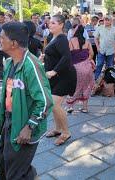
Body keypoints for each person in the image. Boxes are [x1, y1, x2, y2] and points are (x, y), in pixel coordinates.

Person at [0, 22, 53, 179]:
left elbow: (45, 101)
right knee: (5, 165)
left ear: (13, 43)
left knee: (15, 173)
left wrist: (29, 127)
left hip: (24, 126)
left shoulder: (31, 65)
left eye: (1, 37)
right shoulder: (10, 62)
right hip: (10, 122)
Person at [44, 15, 77, 146]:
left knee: (54, 104)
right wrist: (44, 56)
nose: (50, 25)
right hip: (56, 78)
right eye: (49, 23)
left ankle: (66, 132)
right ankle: (58, 129)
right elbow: (54, 54)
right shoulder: (52, 38)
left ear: (61, 25)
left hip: (64, 76)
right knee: (53, 105)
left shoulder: (62, 38)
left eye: (53, 23)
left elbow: (66, 57)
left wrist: (54, 71)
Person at [66, 25, 95, 113]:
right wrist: (87, 61)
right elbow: (92, 54)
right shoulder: (87, 41)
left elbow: (68, 55)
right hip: (87, 67)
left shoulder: (71, 41)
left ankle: (70, 107)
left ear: (75, 31)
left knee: (72, 87)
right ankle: (85, 108)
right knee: (86, 87)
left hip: (75, 67)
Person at [93, 15, 115, 80]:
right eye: (105, 20)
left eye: (108, 20)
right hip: (101, 50)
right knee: (99, 64)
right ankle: (96, 80)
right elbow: (95, 38)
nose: (106, 21)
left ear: (111, 21)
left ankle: (108, 81)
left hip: (111, 51)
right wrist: (97, 47)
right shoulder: (100, 28)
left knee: (109, 67)